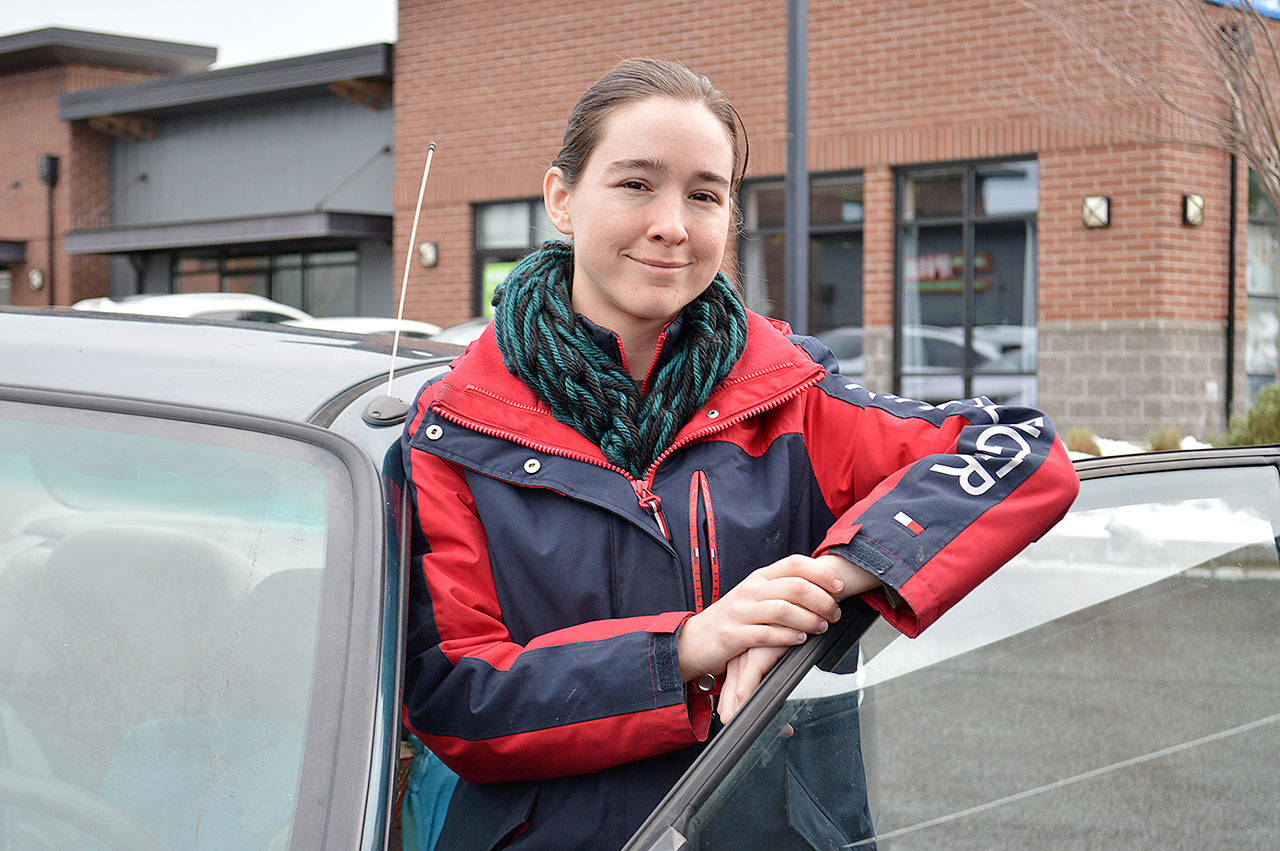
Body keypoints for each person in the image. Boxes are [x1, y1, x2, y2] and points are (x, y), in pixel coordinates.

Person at [400, 58, 1079, 849]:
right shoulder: (455, 430)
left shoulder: (792, 400)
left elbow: (1018, 451)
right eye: (635, 185)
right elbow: (459, 698)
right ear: (561, 198)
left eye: (704, 194)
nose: (673, 225)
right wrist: (690, 646)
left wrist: (825, 576)